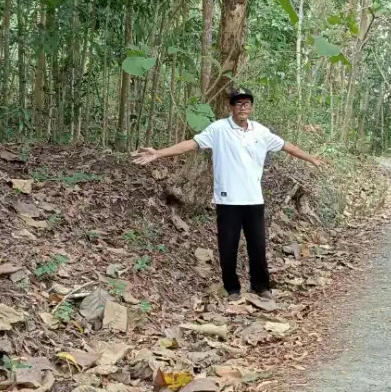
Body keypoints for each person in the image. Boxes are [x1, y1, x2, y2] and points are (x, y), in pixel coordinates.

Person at [131, 87, 324, 298]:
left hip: (253, 199)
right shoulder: (218, 129)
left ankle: (261, 286)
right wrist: (159, 153)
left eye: (247, 103)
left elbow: (287, 146)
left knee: (257, 246)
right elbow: (191, 145)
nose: (243, 107)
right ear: (231, 106)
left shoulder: (261, 131)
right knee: (228, 246)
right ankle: (232, 288)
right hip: (228, 199)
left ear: (251, 107)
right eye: (238, 103)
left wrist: (311, 158)